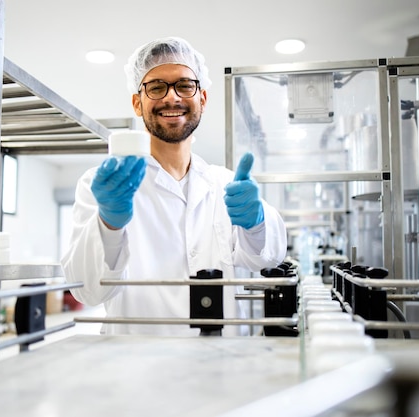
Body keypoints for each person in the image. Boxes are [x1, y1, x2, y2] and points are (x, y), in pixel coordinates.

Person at [61, 36, 287, 336]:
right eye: (156, 87)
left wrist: (257, 223)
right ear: (137, 103)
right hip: (136, 370)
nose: (171, 98)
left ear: (202, 98)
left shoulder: (225, 184)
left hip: (222, 368)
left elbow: (267, 258)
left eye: (184, 85)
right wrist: (108, 225)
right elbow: (87, 292)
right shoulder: (100, 186)